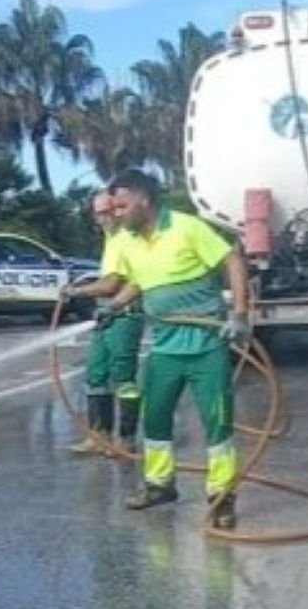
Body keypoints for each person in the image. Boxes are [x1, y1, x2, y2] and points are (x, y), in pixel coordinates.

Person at [97, 169, 251, 529]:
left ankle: (222, 498)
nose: (115, 213)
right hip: (165, 348)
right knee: (154, 420)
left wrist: (239, 314)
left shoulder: (186, 227)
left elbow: (232, 260)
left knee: (218, 423)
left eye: (121, 205)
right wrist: (114, 306)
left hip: (206, 346)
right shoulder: (130, 241)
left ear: (144, 201)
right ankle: (159, 486)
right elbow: (139, 281)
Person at [62, 191, 145, 454]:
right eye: (97, 213)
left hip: (126, 315)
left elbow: (111, 285)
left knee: (124, 378)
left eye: (106, 212)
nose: (101, 218)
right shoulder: (111, 240)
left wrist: (76, 292)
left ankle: (127, 438)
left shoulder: (126, 239)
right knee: (96, 374)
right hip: (107, 316)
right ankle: (100, 436)